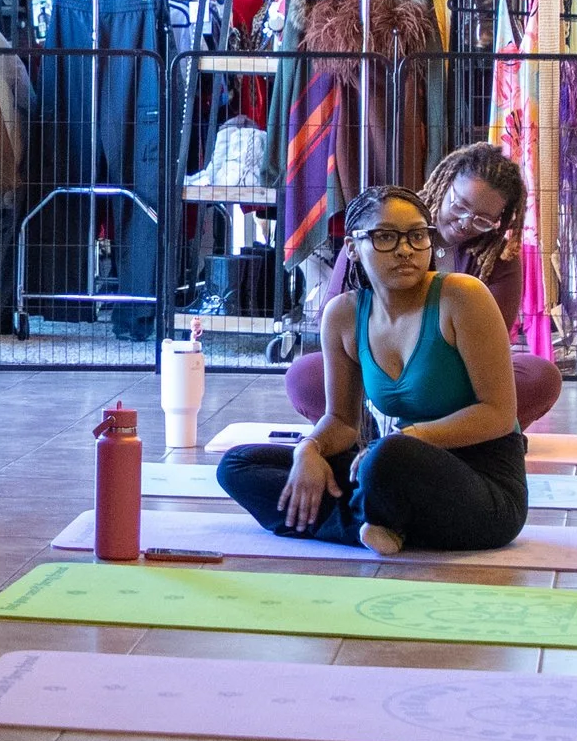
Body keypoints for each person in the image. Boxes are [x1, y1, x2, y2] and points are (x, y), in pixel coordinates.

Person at [219, 182, 528, 556]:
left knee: (386, 458)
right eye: (385, 237)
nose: (405, 249)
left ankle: (366, 519)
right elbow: (342, 423)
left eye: (417, 236)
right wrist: (310, 451)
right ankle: (379, 523)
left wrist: (408, 439)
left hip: (485, 485)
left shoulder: (462, 296)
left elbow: (498, 415)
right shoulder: (344, 315)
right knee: (238, 465)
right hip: (395, 471)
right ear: (352, 247)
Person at [282, 143, 562, 428]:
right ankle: (362, 432)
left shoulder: (498, 259)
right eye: (460, 205)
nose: (466, 222)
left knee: (540, 375)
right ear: (445, 183)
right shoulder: (377, 231)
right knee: (305, 375)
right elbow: (341, 316)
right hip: (378, 366)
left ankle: (465, 431)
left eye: (482, 220)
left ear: (498, 221)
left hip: (454, 374)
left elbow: (492, 343)